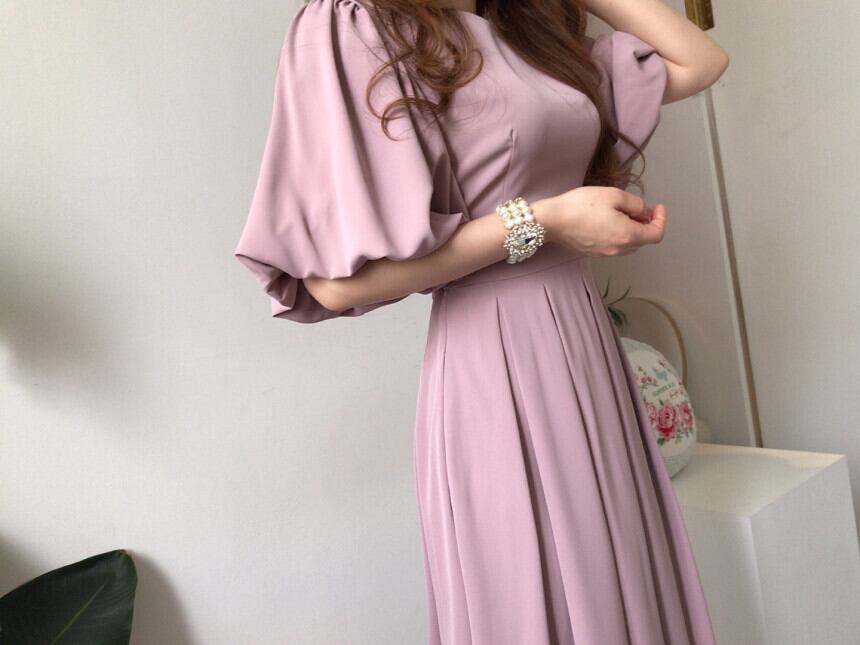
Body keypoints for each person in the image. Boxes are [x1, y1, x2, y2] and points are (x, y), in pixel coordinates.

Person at [233, 0, 729, 642]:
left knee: (619, 582)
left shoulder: (526, 26)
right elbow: (334, 285)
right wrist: (545, 221)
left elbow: (700, 60)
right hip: (497, 368)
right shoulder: (355, 22)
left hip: (586, 350)